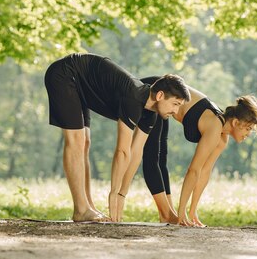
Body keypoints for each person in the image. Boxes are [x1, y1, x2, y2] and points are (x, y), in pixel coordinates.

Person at [44, 53, 190, 222]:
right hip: (65, 74)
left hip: (81, 87)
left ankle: (88, 206)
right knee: (76, 140)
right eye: (175, 104)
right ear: (159, 96)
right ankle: (81, 209)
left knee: (85, 142)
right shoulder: (133, 97)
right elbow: (122, 151)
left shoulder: (150, 114)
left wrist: (122, 193)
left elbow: (135, 153)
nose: (176, 112)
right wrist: (113, 191)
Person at [116, 76, 257, 226]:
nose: (248, 134)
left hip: (165, 105)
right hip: (157, 94)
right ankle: (167, 214)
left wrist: (192, 211)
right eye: (248, 128)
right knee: (153, 157)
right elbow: (193, 171)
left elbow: (204, 172)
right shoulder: (214, 127)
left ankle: (170, 215)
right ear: (235, 122)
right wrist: (182, 210)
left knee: (161, 159)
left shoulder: (222, 138)